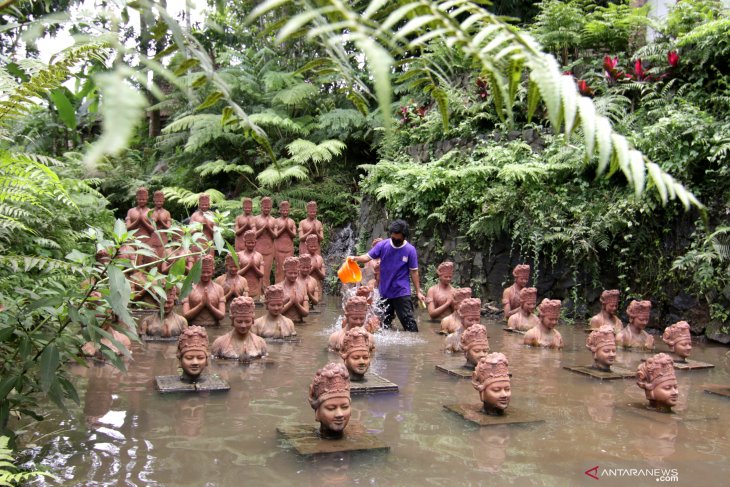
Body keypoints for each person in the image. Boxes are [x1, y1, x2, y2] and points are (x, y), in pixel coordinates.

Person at [349, 220, 425, 332]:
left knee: (409, 324)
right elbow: (367, 257)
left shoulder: (410, 250)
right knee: (381, 326)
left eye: (397, 239)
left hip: (401, 292)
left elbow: (414, 272)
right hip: (384, 292)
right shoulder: (383, 245)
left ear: (404, 237)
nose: (394, 240)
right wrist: (355, 258)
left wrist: (418, 291)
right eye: (393, 237)